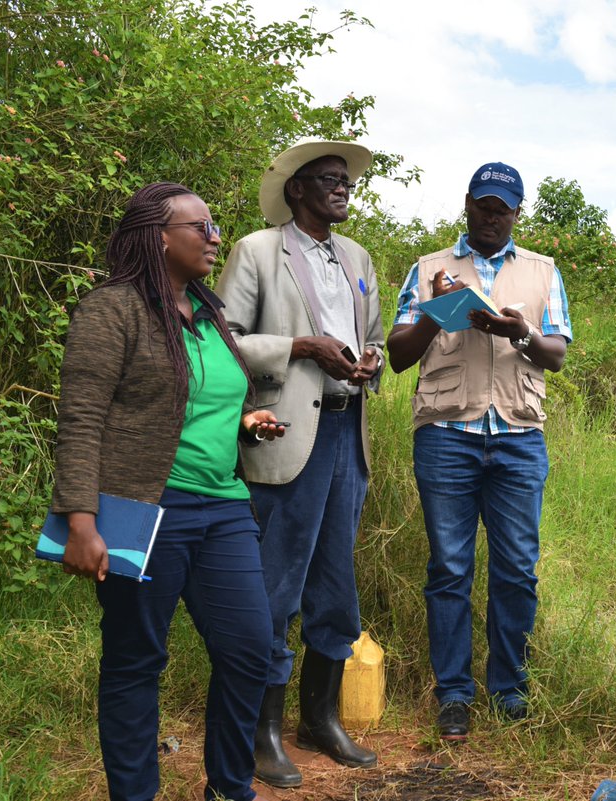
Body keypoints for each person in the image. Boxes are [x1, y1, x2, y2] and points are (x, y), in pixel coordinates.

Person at [52, 182, 286, 801]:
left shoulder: (207, 312)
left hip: (225, 507)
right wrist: (80, 519)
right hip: (144, 509)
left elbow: (196, 398)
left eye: (215, 227)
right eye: (201, 227)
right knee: (136, 660)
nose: (216, 237)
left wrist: (243, 422)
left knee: (248, 649)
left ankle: (230, 789)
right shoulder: (113, 309)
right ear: (158, 237)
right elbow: (81, 417)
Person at [216, 138, 385, 787]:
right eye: (328, 179)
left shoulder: (358, 258)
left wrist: (367, 359)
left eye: (345, 180)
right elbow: (225, 338)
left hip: (346, 435)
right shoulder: (259, 250)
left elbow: (370, 335)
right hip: (285, 438)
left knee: (335, 583)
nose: (342, 188)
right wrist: (301, 345)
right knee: (276, 585)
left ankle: (320, 717)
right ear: (296, 190)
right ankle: (262, 731)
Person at [386, 162, 571, 742]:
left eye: (504, 208)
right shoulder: (428, 269)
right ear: (466, 204)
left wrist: (518, 331)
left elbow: (556, 354)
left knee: (517, 569)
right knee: (450, 568)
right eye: (484, 204)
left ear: (518, 213)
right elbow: (397, 353)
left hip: (518, 436)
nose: (493, 216)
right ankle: (454, 694)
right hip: (446, 435)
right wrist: (442, 311)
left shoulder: (543, 271)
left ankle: (510, 688)